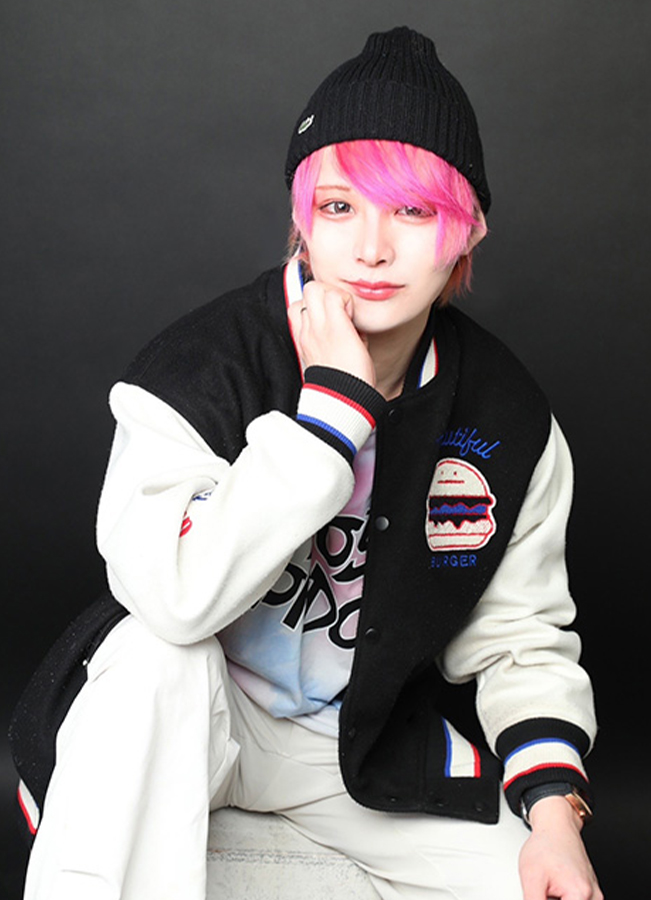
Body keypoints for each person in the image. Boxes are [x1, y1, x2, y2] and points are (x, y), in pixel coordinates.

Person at [9, 26, 602, 900]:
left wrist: (555, 822)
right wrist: (328, 418)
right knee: (153, 654)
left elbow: (519, 638)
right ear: (301, 219)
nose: (371, 249)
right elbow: (173, 599)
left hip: (349, 747)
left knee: (527, 887)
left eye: (412, 212)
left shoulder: (508, 419)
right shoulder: (199, 366)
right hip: (190, 723)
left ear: (466, 228)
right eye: (338, 207)